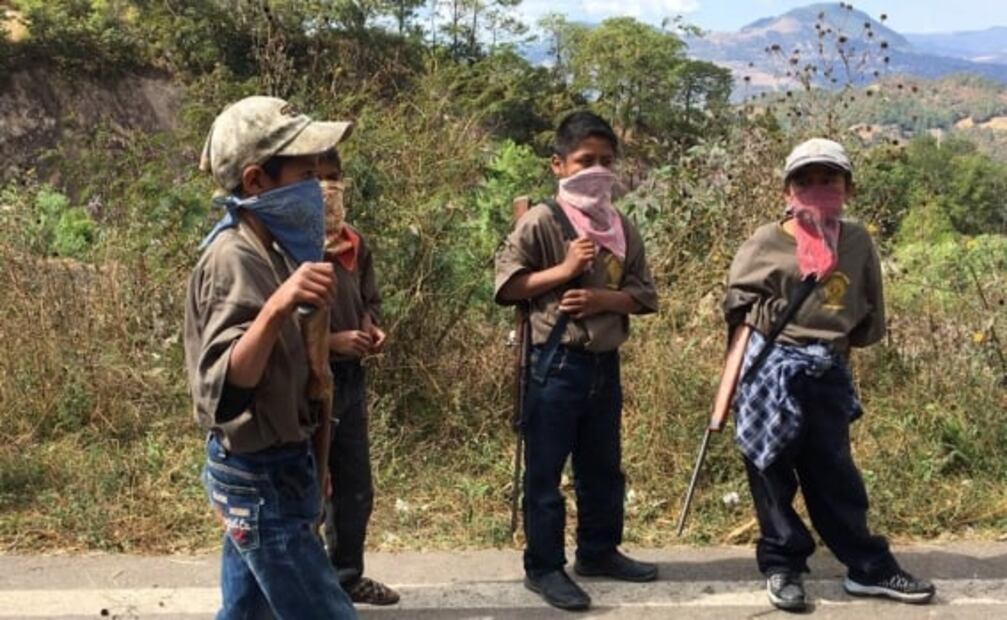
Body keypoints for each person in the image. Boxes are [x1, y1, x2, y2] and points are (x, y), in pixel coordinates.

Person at [723, 138, 936, 612]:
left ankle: (868, 567)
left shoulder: (857, 241)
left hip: (828, 371)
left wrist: (838, 350)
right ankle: (783, 566)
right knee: (771, 471)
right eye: (806, 181)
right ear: (787, 191)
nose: (817, 190)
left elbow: (868, 308)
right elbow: (736, 307)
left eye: (829, 180)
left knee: (834, 474)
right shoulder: (764, 242)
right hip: (770, 374)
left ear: (848, 188)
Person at [183, 95, 358, 619]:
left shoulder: (275, 249)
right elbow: (227, 385)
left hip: (279, 464)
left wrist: (311, 456)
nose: (317, 188)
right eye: (305, 173)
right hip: (256, 476)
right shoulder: (232, 258)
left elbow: (296, 368)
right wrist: (281, 304)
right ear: (257, 181)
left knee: (246, 611)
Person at [494, 111, 659, 612]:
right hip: (554, 364)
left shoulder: (621, 225)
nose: (597, 170)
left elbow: (643, 295)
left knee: (603, 468)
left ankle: (599, 551)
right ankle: (544, 566)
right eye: (586, 160)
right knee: (544, 474)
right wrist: (563, 270)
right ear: (558, 165)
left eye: (607, 161)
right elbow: (507, 286)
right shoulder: (542, 221)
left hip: (604, 366)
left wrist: (602, 300)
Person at [316, 149, 399, 605]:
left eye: (334, 176)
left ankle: (345, 577)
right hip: (307, 380)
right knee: (308, 486)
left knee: (354, 486)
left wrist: (370, 327)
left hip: (350, 379)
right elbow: (279, 327)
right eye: (316, 177)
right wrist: (332, 342)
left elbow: (370, 299)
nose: (328, 187)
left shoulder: (354, 243)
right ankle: (308, 587)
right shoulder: (290, 246)